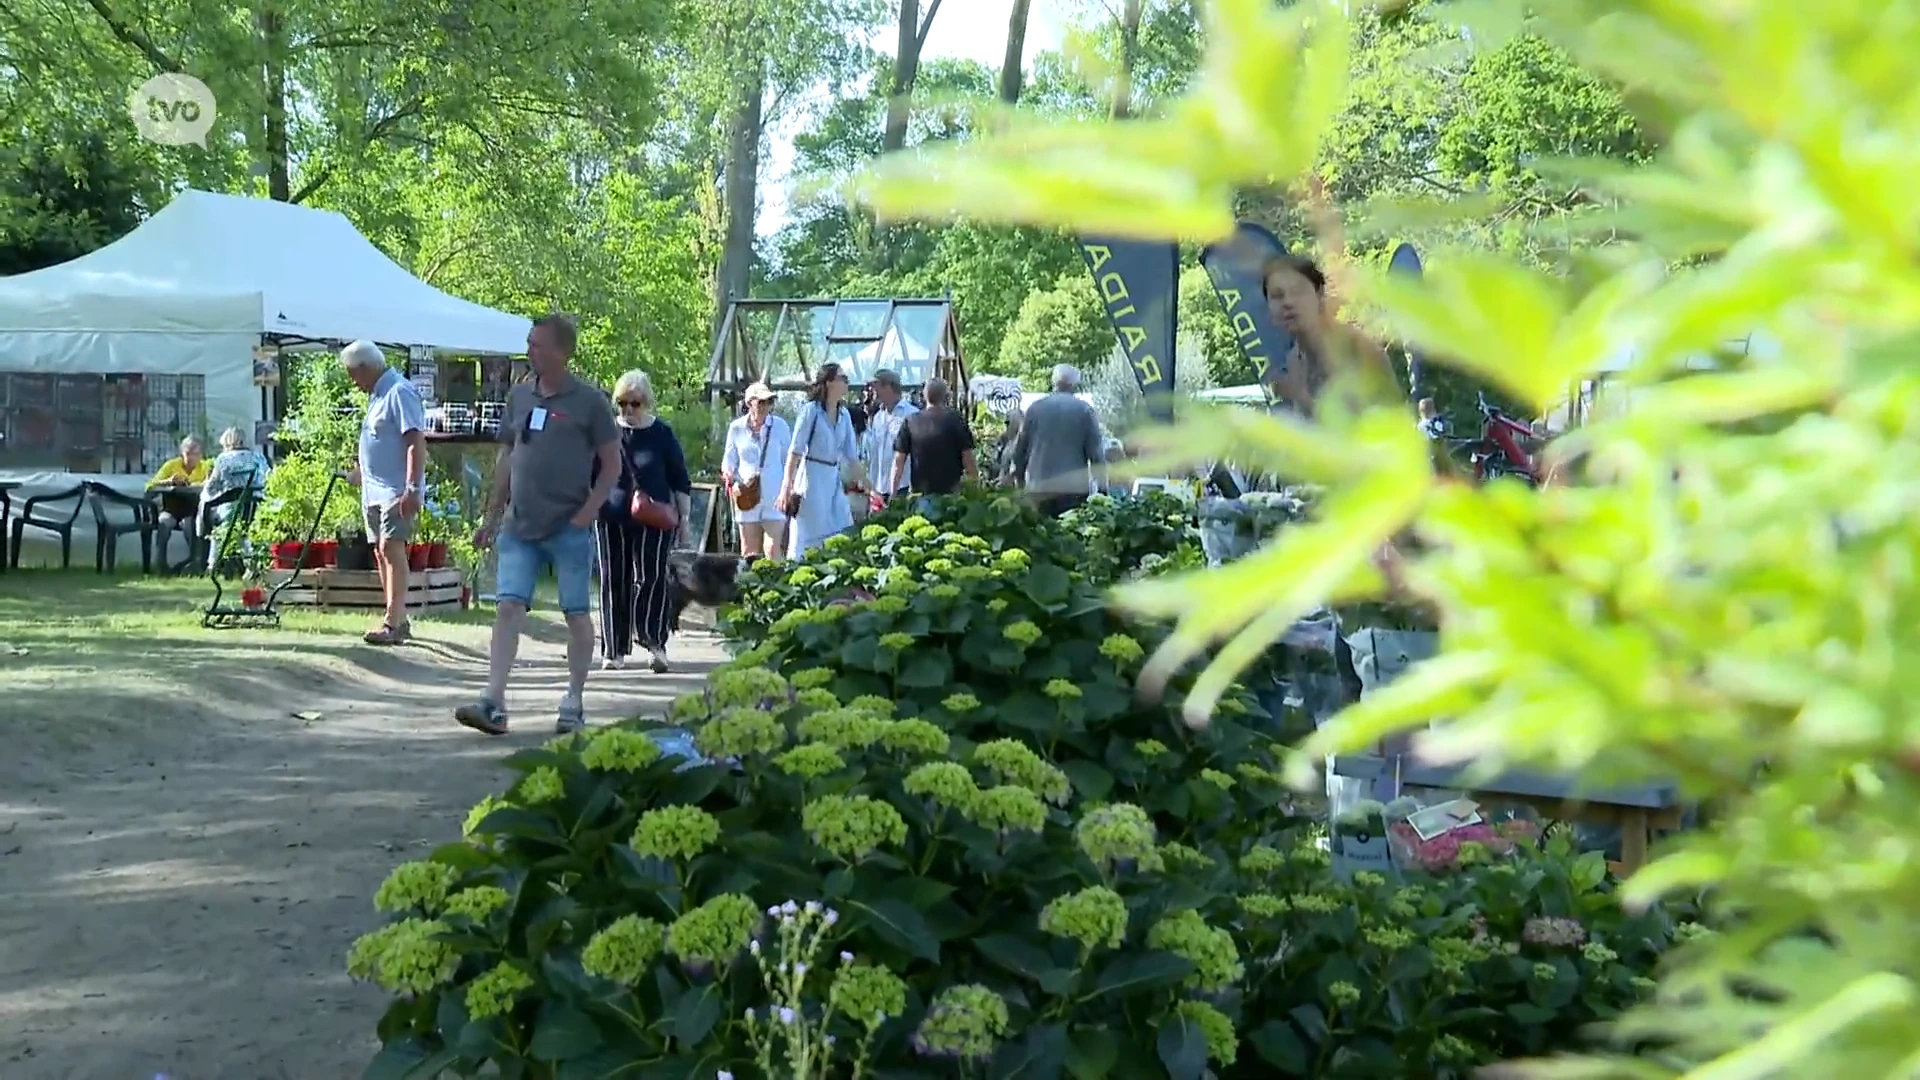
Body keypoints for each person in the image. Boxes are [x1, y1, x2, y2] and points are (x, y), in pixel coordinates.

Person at [458, 314, 620, 737]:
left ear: (563, 352)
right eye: (529, 343)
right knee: (508, 606)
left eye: (539, 345)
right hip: (519, 525)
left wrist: (589, 510)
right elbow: (506, 460)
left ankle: (573, 700)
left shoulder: (589, 402)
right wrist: (491, 519)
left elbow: (612, 465)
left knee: (575, 612)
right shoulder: (519, 398)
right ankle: (493, 701)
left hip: (569, 526)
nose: (531, 350)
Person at [598, 370, 693, 673]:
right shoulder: (606, 434)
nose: (628, 410)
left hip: (654, 516)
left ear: (646, 402)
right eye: (623, 403)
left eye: (634, 403)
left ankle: (655, 643)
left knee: (651, 579)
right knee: (613, 580)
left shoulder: (662, 434)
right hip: (610, 516)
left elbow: (680, 478)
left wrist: (685, 520)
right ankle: (614, 650)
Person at [340, 339, 427, 646]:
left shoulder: (398, 392)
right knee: (381, 551)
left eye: (353, 374)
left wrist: (413, 488)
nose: (352, 382)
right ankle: (397, 617)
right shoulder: (377, 395)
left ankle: (392, 622)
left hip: (396, 490)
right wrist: (360, 472)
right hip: (374, 491)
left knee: (392, 547)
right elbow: (381, 441)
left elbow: (415, 441)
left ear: (365, 368)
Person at [1262, 253, 1400, 417]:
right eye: (1277, 296)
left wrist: (1301, 397)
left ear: (1319, 293)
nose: (1288, 302)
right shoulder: (1294, 360)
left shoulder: (1357, 349)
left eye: (1298, 291)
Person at [776, 361, 859, 556]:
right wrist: (786, 488)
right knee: (809, 536)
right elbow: (795, 451)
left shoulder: (844, 414)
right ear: (830, 382)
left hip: (833, 478)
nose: (847, 383)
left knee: (842, 527)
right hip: (811, 479)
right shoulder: (811, 411)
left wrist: (871, 489)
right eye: (843, 378)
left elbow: (852, 458)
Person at [1007, 364, 1104, 517]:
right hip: (1072, 489)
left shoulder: (1034, 409)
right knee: (1069, 532)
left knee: (1041, 534)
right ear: (1074, 384)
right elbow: (1096, 454)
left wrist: (1019, 480)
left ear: (1053, 382)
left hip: (1038, 486)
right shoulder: (1084, 410)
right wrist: (1102, 490)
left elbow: (1020, 450)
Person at [722, 381, 792, 560]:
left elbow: (790, 461)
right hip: (747, 496)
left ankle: (775, 588)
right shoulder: (736, 428)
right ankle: (750, 588)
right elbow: (729, 461)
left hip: (774, 496)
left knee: (773, 551)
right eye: (760, 402)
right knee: (749, 554)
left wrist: (789, 490)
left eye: (768, 402)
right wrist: (730, 478)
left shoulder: (780, 426)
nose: (764, 406)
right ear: (749, 403)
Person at [889, 377, 977, 497]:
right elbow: (968, 459)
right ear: (946, 397)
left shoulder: (911, 421)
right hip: (951, 495)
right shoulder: (956, 420)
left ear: (924, 396)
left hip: (920, 494)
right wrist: (976, 488)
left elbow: (898, 462)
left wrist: (893, 494)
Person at [201, 427, 271, 573]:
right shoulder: (258, 457)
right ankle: (252, 563)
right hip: (256, 507)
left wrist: (207, 490)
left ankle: (212, 564)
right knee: (245, 529)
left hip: (230, 508)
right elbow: (268, 479)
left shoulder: (223, 459)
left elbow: (212, 487)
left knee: (216, 524)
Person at [147, 435, 209, 571]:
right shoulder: (171, 465)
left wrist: (196, 485)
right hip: (170, 508)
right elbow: (150, 486)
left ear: (201, 454)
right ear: (182, 452)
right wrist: (168, 481)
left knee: (189, 526)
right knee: (164, 523)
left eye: (195, 454)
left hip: (191, 509)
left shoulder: (205, 467)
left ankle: (194, 564)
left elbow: (210, 485)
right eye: (188, 453)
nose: (191, 457)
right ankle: (161, 566)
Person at [862, 368, 919, 504]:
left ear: (888, 387)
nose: (872, 392)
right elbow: (874, 455)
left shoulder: (912, 414)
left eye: (876, 387)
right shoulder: (878, 417)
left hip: (904, 487)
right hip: (880, 489)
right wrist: (872, 487)